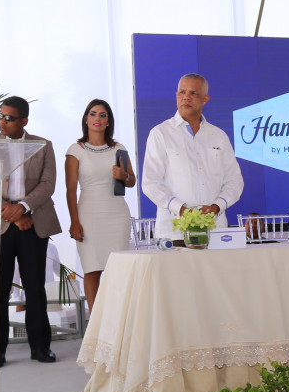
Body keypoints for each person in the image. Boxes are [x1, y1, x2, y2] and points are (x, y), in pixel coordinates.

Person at [0, 96, 62, 366]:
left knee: (34, 288)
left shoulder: (43, 145)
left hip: (34, 222)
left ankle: (40, 348)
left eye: (9, 118)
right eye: (0, 116)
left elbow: (48, 184)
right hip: (2, 223)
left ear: (24, 120)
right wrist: (13, 216)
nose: (2, 122)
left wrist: (23, 208)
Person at [141, 73, 244, 241]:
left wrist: (216, 207)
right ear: (176, 96)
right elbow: (150, 183)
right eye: (182, 92)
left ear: (205, 99)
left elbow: (235, 181)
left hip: (215, 231)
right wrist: (181, 209)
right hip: (175, 232)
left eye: (193, 93)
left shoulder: (218, 136)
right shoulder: (160, 133)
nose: (186, 97)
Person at [65, 99, 133, 313]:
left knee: (117, 269)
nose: (97, 118)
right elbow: (70, 190)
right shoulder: (76, 150)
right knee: (92, 270)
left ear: (108, 121)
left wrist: (123, 175)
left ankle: (117, 318)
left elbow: (131, 181)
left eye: (103, 115)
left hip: (117, 214)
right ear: (86, 119)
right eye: (93, 114)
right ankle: (96, 324)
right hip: (88, 215)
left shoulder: (119, 148)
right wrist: (74, 222)